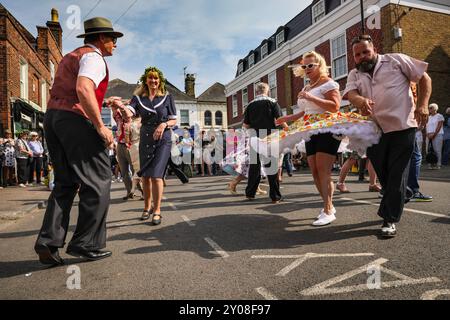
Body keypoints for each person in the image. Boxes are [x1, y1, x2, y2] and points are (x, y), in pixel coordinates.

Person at [34, 17, 123, 265]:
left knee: (65, 183)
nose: (115, 44)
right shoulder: (95, 58)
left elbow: (72, 91)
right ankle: (86, 243)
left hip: (53, 118)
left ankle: (48, 242)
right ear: (102, 39)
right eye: (113, 39)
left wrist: (105, 101)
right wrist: (100, 126)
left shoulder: (72, 55)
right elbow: (83, 89)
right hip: (75, 120)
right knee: (99, 180)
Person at [344, 34, 432, 238]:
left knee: (396, 174)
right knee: (384, 175)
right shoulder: (354, 74)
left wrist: (423, 105)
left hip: (402, 126)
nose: (362, 57)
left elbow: (424, 77)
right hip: (374, 131)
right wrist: (360, 101)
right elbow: (351, 94)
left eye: (365, 52)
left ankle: (389, 219)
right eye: (357, 55)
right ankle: (405, 193)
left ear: (373, 49)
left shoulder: (396, 60)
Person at [276, 51, 342, 226]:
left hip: (327, 128)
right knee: (314, 171)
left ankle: (328, 210)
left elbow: (335, 106)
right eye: (304, 66)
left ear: (320, 65)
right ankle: (328, 205)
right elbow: (306, 111)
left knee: (323, 170)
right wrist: (287, 118)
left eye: (310, 65)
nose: (306, 69)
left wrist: (310, 96)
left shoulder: (329, 84)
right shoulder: (307, 87)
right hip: (309, 129)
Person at [113, 66, 177, 225]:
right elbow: (130, 112)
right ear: (145, 80)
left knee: (156, 175)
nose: (153, 81)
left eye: (156, 78)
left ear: (160, 80)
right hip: (146, 138)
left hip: (163, 138)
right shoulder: (138, 98)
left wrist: (164, 125)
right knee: (146, 176)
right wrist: (121, 106)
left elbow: (174, 120)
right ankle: (147, 207)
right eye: (150, 78)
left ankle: (157, 210)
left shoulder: (167, 97)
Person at [244, 82, 286, 204]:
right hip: (269, 136)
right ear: (267, 91)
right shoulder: (272, 102)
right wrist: (288, 129)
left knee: (254, 167)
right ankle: (275, 197)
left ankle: (250, 194)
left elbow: (246, 125)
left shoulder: (250, 105)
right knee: (271, 166)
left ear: (256, 92)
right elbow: (279, 120)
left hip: (254, 137)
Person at [426, 103, 444, 170]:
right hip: (428, 135)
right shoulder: (428, 117)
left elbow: (439, 126)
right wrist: (428, 134)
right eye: (429, 108)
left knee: (437, 150)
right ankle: (430, 164)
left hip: (437, 135)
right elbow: (426, 126)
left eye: (431, 108)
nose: (429, 109)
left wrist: (434, 134)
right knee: (428, 150)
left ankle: (438, 164)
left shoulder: (440, 116)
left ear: (435, 109)